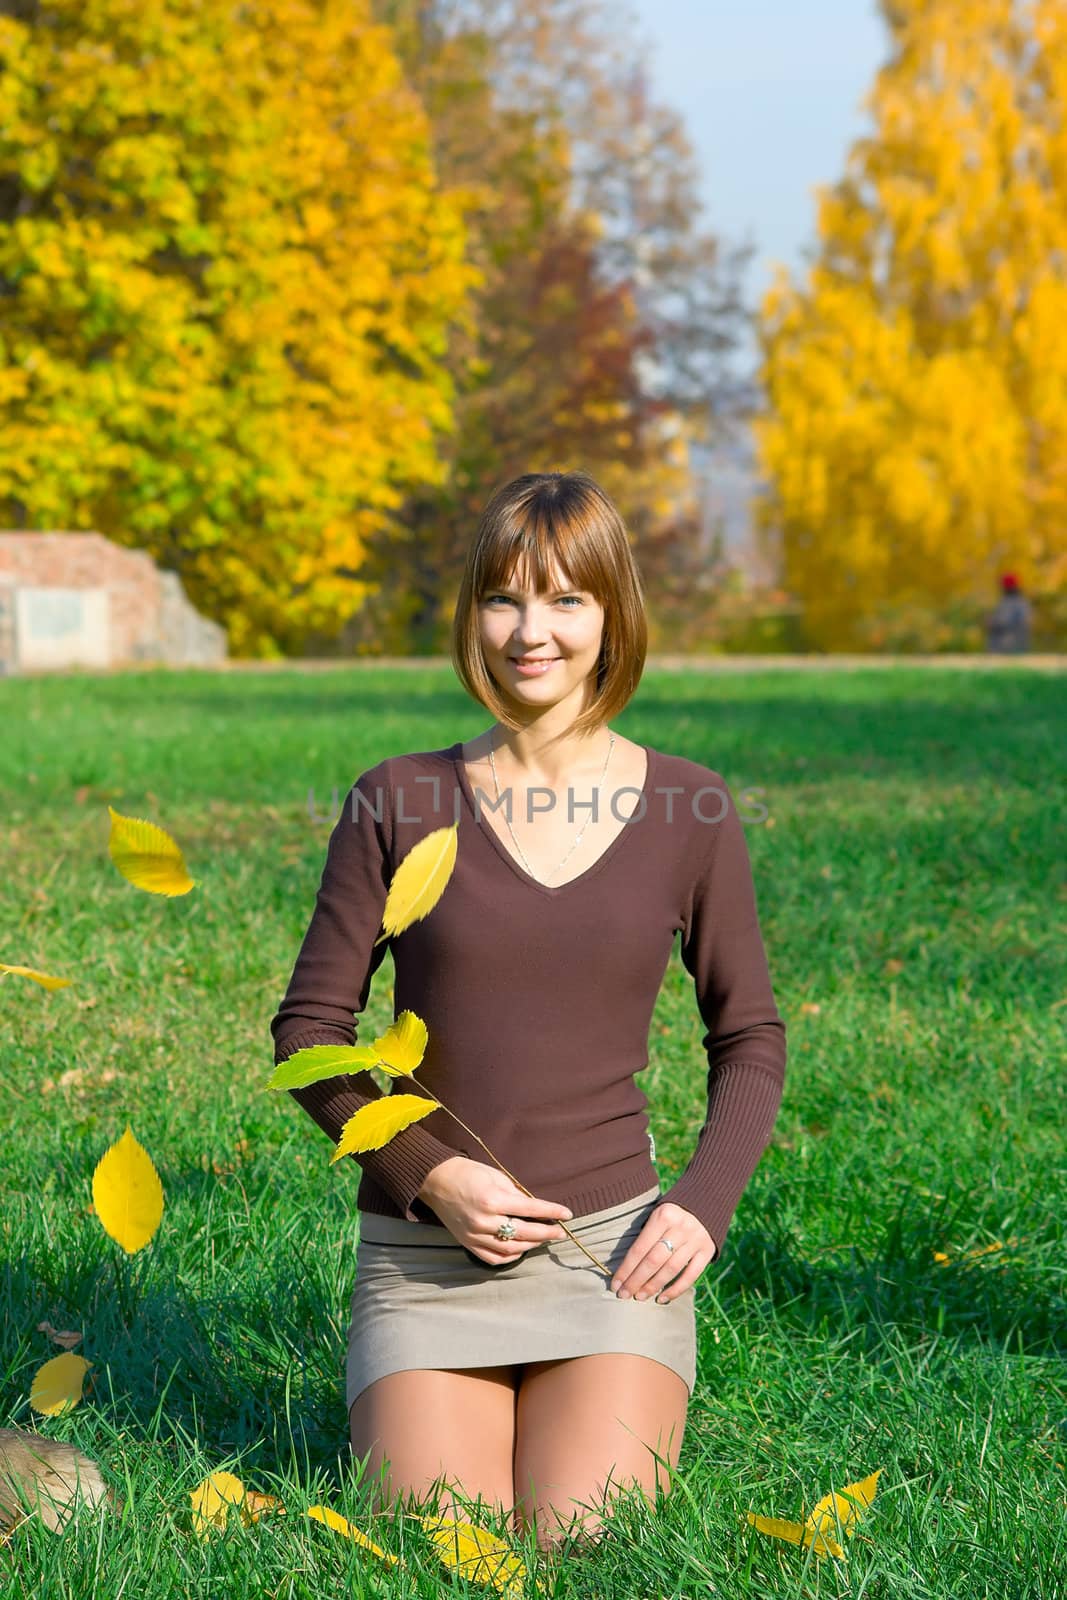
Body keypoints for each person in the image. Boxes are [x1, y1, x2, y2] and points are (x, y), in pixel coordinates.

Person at [269, 470, 787, 1557]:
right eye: (502, 598)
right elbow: (310, 1032)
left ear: (612, 616)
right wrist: (428, 1175)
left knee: (575, 1542)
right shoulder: (396, 797)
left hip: (611, 1256)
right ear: (472, 615)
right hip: (423, 1258)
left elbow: (748, 1037)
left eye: (564, 599)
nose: (529, 631)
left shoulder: (687, 808)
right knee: (446, 1548)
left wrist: (699, 1203)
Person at [985, 573, 1032, 653]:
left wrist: (992, 622)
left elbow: (1005, 621)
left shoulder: (1013, 602)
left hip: (1009, 643)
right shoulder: (1021, 601)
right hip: (1016, 641)